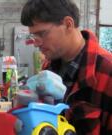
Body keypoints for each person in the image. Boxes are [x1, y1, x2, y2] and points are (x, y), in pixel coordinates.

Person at [21, 0, 112, 134]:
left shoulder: (107, 72)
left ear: (68, 24)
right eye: (33, 35)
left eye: (42, 33)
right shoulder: (49, 67)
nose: (36, 43)